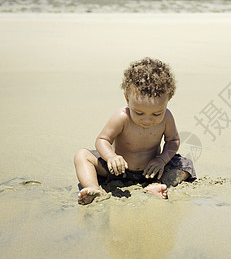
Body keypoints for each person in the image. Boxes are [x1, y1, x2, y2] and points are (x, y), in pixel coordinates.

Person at [74, 58, 196, 205]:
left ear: (168, 99)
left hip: (151, 171)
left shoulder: (167, 118)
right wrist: (111, 157)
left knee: (185, 165)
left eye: (157, 114)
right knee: (82, 155)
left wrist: (161, 159)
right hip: (118, 169)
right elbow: (102, 140)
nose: (147, 120)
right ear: (127, 98)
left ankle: (157, 185)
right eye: (139, 113)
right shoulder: (122, 117)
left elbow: (173, 141)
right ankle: (93, 187)